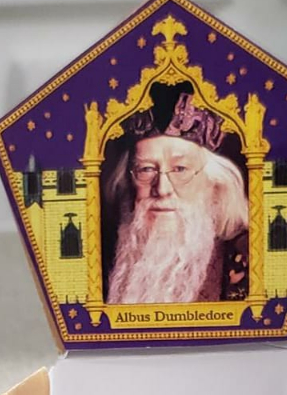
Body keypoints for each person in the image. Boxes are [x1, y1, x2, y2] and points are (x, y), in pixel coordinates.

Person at [104, 92, 250, 305]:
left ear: (215, 184)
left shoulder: (245, 262)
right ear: (128, 180)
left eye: (180, 169)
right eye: (146, 169)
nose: (162, 189)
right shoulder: (101, 259)